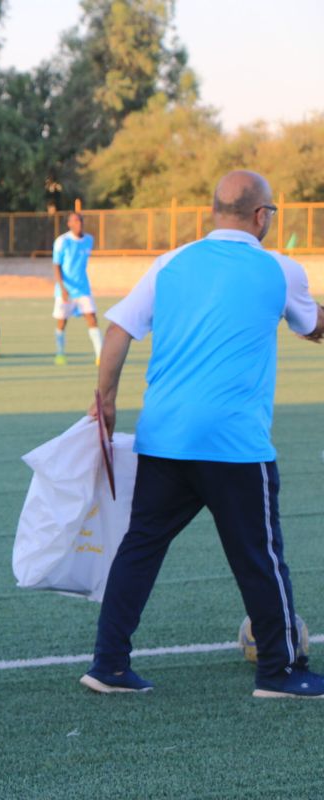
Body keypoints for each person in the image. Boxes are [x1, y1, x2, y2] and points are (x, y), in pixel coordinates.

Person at [83, 170, 324, 698]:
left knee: (139, 548)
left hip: (165, 437)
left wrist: (105, 402)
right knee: (259, 557)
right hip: (234, 444)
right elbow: (314, 327)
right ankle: (280, 672)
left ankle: (109, 664)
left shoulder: (169, 263)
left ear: (216, 211)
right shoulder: (279, 269)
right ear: (261, 216)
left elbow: (119, 330)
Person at [52, 211, 102, 366]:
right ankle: (60, 353)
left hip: (83, 289)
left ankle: (100, 355)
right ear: (69, 224)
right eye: (75, 221)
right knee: (62, 322)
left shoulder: (89, 240)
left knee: (92, 318)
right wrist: (63, 288)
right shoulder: (62, 241)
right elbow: (56, 266)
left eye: (80, 221)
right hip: (65, 289)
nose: (78, 224)